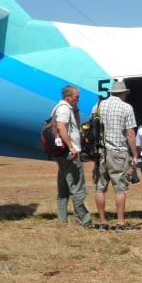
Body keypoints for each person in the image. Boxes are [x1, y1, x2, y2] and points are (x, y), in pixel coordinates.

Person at [92, 79, 139, 230]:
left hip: (101, 152)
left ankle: (103, 222)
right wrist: (135, 154)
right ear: (123, 93)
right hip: (119, 152)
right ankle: (120, 222)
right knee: (120, 188)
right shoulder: (126, 108)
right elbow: (130, 133)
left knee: (100, 188)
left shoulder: (98, 106)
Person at [52, 84, 92, 227]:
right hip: (70, 153)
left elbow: (75, 125)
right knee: (77, 187)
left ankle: (62, 218)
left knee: (63, 187)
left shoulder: (60, 107)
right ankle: (84, 220)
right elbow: (61, 126)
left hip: (61, 153)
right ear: (68, 97)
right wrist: (71, 147)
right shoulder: (64, 109)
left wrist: (75, 110)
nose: (79, 99)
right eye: (76, 97)